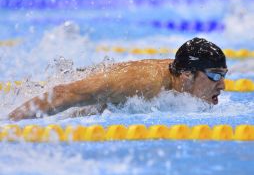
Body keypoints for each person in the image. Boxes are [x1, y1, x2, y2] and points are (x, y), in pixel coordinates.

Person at [9, 37, 228, 121]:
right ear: (187, 75)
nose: (222, 85)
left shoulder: (180, 77)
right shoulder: (143, 84)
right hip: (64, 96)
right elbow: (62, 94)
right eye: (215, 75)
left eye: (224, 75)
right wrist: (10, 122)